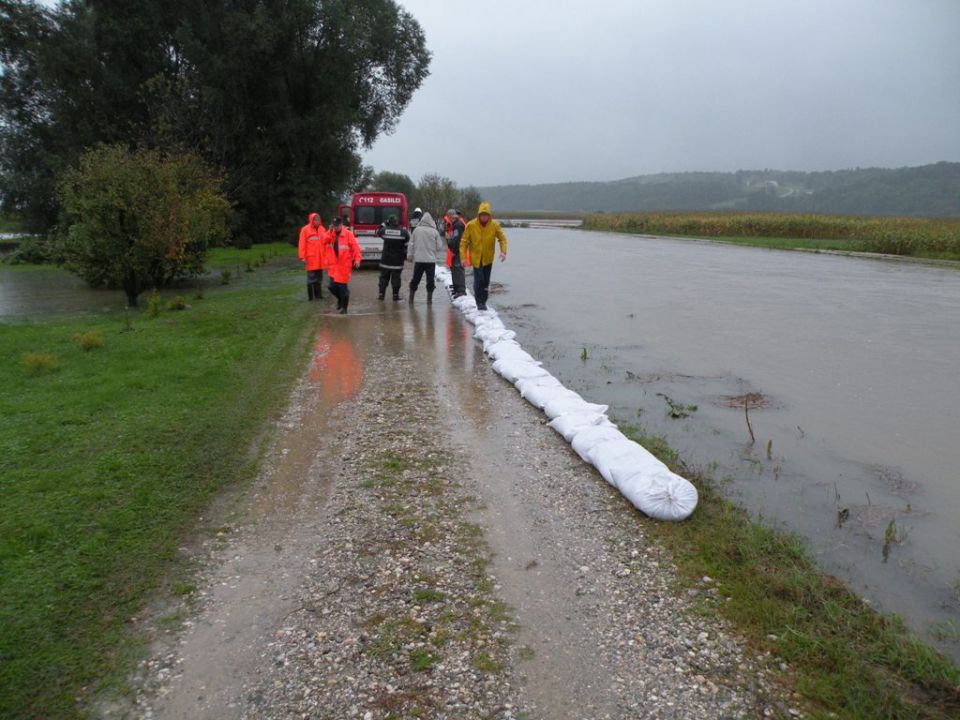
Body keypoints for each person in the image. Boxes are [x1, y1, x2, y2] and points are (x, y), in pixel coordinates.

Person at [460, 201, 507, 311]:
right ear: (479, 215)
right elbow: (463, 242)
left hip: (488, 257)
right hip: (476, 257)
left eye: (486, 215)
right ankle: (479, 302)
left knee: (486, 281)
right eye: (482, 215)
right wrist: (463, 257)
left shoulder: (494, 225)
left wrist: (503, 251)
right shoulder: (471, 225)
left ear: (489, 216)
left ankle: (483, 301)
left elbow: (502, 239)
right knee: (479, 279)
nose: (484, 217)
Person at [323, 216, 361, 314]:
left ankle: (344, 308)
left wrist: (357, 260)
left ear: (341, 225)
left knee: (342, 288)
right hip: (333, 266)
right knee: (331, 287)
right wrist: (330, 233)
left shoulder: (348, 234)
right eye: (334, 226)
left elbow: (355, 248)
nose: (336, 227)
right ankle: (340, 299)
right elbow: (323, 241)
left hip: (344, 266)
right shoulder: (329, 234)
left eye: (337, 226)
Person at [407, 211, 444, 304]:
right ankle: (429, 300)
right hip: (430, 261)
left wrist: (410, 255)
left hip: (419, 260)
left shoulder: (416, 230)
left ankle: (411, 299)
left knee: (416, 279)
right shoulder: (435, 232)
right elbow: (440, 247)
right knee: (430, 281)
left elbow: (411, 244)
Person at [375, 215, 410, 301]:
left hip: (385, 261)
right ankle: (395, 296)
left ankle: (381, 295)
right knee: (396, 279)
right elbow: (406, 246)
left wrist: (384, 223)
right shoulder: (404, 232)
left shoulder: (384, 230)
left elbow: (377, 231)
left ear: (389, 222)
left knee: (383, 278)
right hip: (397, 262)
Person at [297, 212, 325, 300]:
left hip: (320, 258)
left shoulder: (322, 229)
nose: (317, 221)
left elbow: (326, 241)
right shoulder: (305, 229)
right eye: (315, 219)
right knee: (311, 278)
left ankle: (319, 296)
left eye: (318, 219)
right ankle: (311, 297)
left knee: (319, 278)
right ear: (311, 220)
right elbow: (302, 244)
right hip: (311, 258)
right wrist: (302, 256)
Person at [446, 209, 467, 297]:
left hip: (458, 251)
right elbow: (454, 239)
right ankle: (457, 289)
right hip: (456, 251)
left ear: (451, 216)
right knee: (455, 270)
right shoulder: (455, 224)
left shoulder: (457, 225)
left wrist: (454, 251)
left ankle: (461, 290)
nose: (448, 219)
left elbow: (457, 240)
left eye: (448, 217)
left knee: (458, 270)